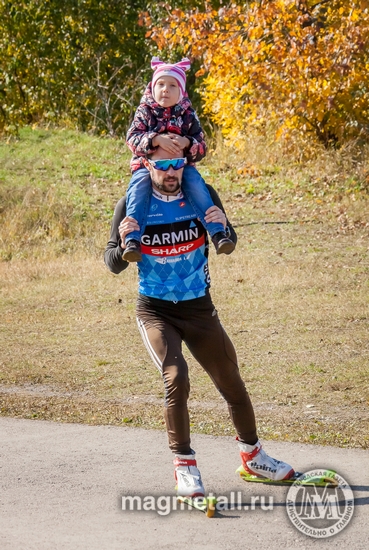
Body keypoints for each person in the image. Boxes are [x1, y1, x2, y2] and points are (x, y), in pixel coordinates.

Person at [104, 147, 294, 498]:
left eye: (178, 163)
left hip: (199, 308)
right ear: (147, 164)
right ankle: (185, 468)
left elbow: (228, 239)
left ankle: (253, 457)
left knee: (231, 381)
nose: (171, 171)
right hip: (156, 310)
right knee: (176, 377)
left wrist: (225, 227)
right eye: (162, 164)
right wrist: (120, 245)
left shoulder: (201, 196)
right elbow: (113, 262)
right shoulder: (131, 205)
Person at [123, 56, 235, 263]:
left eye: (172, 85)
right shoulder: (145, 111)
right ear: (153, 87)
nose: (165, 89)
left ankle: (218, 232)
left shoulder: (188, 114)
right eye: (161, 84)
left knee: (196, 185)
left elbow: (202, 148)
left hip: (182, 166)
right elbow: (131, 139)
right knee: (137, 189)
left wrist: (186, 143)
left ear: (181, 91)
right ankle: (132, 239)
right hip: (147, 166)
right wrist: (154, 139)